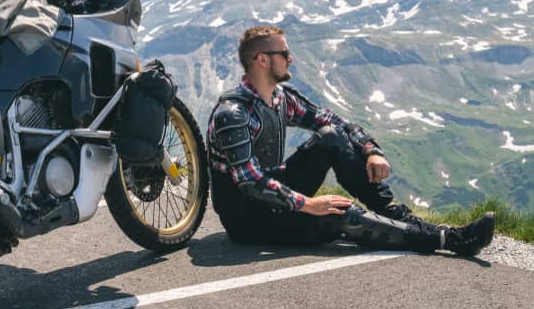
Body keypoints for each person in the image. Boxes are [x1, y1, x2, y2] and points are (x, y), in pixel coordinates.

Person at [206, 25, 496, 256]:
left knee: (331, 138)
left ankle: (400, 216)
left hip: (278, 200)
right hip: (249, 220)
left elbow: (333, 122)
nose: (290, 58)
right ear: (262, 59)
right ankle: (451, 240)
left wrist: (370, 150)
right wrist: (308, 204)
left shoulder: (281, 98)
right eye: (284, 52)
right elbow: (250, 182)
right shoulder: (234, 114)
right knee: (343, 214)